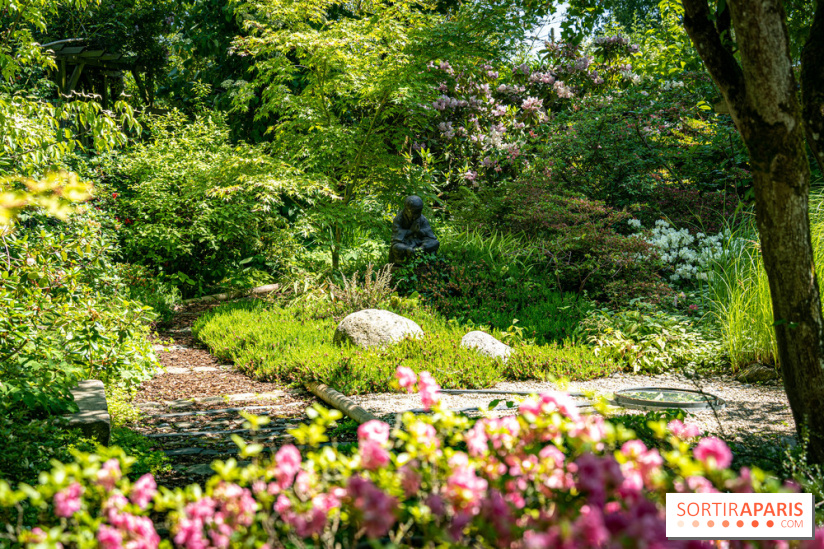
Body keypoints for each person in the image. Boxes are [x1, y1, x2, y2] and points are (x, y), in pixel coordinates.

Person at [388, 195, 440, 264]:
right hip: (405, 244)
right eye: (414, 213)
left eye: (419, 212)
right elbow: (396, 237)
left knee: (435, 243)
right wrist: (411, 231)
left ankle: (419, 252)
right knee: (396, 247)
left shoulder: (422, 219)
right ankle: (409, 254)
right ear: (407, 210)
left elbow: (430, 236)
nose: (416, 215)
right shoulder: (399, 219)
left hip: (419, 244)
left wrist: (420, 233)